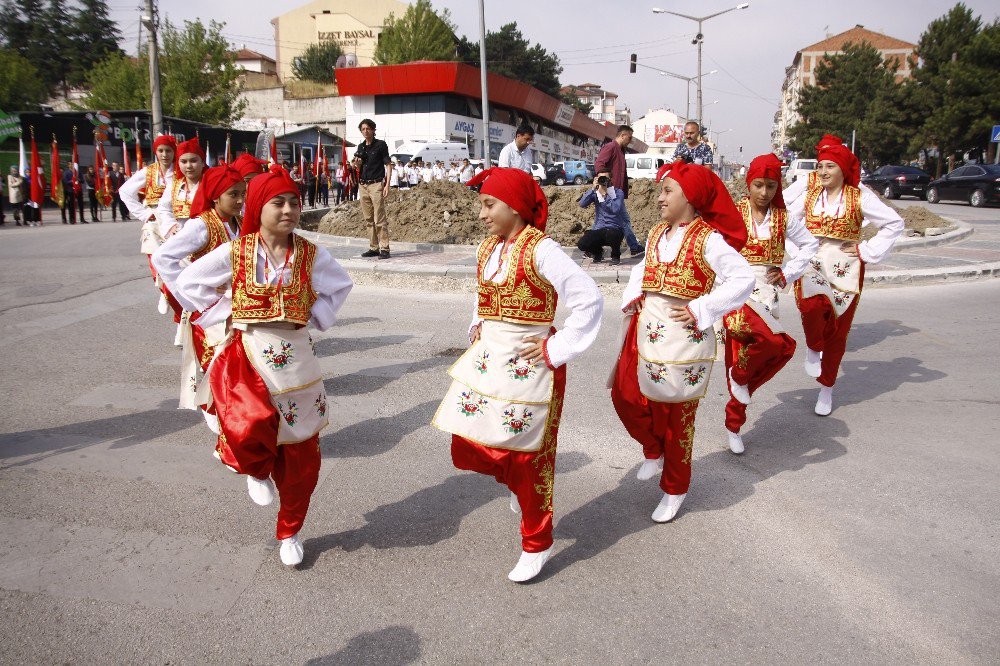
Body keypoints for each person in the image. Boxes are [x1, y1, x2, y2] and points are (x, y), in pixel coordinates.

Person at [174, 166, 353, 567]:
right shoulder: (237, 251)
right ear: (258, 206)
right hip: (249, 350)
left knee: (302, 451)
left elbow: (340, 286)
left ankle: (290, 530)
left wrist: (315, 317)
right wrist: (224, 313)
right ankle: (255, 469)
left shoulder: (310, 253)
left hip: (297, 356)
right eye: (278, 202)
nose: (288, 210)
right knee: (246, 424)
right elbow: (188, 283)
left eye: (294, 202)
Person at [432, 167, 603, 583]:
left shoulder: (541, 250)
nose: (482, 214)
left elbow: (590, 299)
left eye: (489, 205)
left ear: (514, 206)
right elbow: (484, 296)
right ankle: (512, 482)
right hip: (492, 362)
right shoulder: (489, 248)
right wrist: (477, 326)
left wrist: (554, 349)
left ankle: (536, 543)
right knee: (471, 436)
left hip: (532, 368)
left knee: (531, 458)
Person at [611, 161, 754, 524]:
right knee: (626, 394)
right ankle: (652, 448)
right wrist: (633, 295)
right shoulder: (659, 231)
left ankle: (675, 488)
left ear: (689, 197)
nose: (660, 198)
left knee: (677, 417)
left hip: (685, 340)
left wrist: (703, 307)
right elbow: (641, 269)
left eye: (667, 191)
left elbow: (743, 278)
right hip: (645, 331)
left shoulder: (709, 238)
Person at [786, 136, 903, 416]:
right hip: (813, 261)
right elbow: (786, 220)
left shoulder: (858, 195)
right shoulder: (810, 193)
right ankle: (814, 346)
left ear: (842, 170)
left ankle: (826, 388)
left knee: (838, 331)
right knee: (810, 306)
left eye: (830, 166)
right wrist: (795, 248)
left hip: (846, 266)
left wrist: (866, 250)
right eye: (821, 166)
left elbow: (894, 222)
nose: (823, 172)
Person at [721, 154, 818, 454]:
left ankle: (736, 405)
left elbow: (810, 244)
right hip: (737, 293)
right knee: (758, 349)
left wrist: (787, 271)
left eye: (771, 186)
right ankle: (735, 416)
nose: (764, 193)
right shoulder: (732, 213)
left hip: (767, 295)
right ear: (749, 184)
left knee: (771, 350)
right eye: (759, 185)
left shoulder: (783, 218)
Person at [153, 164, 246, 419]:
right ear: (215, 196)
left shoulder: (238, 221)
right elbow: (163, 258)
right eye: (233, 195)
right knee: (221, 374)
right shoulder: (201, 226)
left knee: (241, 375)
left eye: (242, 193)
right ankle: (224, 429)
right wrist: (193, 298)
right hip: (211, 315)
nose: (239, 200)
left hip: (237, 309)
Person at [155, 137, 206, 330]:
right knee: (180, 285)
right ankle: (184, 327)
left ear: (202, 162)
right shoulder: (175, 185)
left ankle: (196, 327)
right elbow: (163, 209)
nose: (189, 166)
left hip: (204, 241)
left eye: (193, 161)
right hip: (180, 241)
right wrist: (170, 227)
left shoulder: (209, 183)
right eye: (183, 161)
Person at [122, 134, 177, 289]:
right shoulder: (148, 172)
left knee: (177, 260)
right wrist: (144, 214)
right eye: (161, 150)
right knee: (155, 259)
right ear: (156, 152)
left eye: (168, 150)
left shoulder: (180, 170)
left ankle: (175, 293)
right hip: (154, 221)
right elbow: (125, 191)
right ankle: (164, 292)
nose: (165, 155)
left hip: (175, 219)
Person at [595, 125, 644, 257]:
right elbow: (599, 165)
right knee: (618, 220)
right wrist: (604, 186)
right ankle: (633, 246)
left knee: (608, 220)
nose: (631, 140)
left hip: (615, 191)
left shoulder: (621, 150)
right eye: (629, 137)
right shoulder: (611, 147)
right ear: (622, 135)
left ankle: (592, 248)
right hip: (611, 191)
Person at [354, 118, 392, 259]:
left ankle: (384, 248)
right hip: (363, 184)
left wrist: (387, 184)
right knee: (368, 218)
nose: (365, 131)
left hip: (376, 184)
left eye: (368, 128)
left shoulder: (381, 145)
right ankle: (373, 247)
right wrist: (357, 164)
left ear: (373, 130)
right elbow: (359, 167)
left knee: (379, 218)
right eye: (363, 129)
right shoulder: (361, 147)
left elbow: (388, 164)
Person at [576, 174, 627, 265]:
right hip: (599, 228)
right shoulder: (596, 193)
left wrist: (605, 195)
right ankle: (597, 252)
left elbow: (615, 209)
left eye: (605, 178)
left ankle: (615, 255)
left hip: (614, 228)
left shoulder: (618, 192)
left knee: (612, 233)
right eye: (601, 178)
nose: (603, 181)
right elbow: (582, 204)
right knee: (582, 243)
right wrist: (592, 189)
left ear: (611, 179)